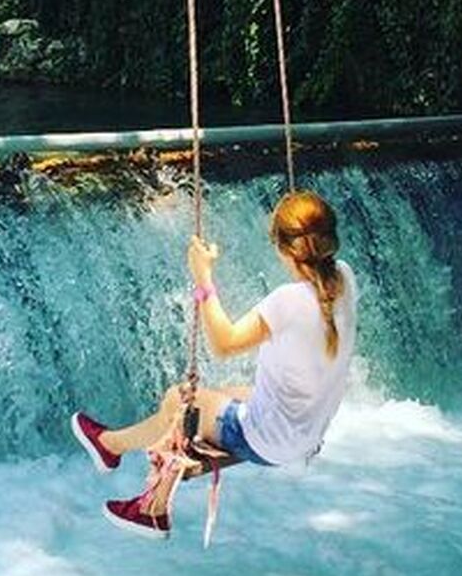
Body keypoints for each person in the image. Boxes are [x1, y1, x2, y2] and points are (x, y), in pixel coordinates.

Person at [70, 189, 358, 538]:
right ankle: (109, 446)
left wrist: (204, 278)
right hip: (305, 431)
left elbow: (224, 343)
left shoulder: (288, 302)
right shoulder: (344, 278)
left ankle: (149, 504)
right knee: (219, 395)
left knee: (179, 401)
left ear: (282, 248)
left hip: (269, 440)